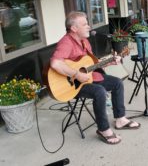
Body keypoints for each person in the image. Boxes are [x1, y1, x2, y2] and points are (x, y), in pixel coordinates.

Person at [50, 11, 140, 145]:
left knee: (117, 83)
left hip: (89, 77)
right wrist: (76, 74)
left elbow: (92, 64)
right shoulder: (66, 42)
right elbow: (55, 63)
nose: (89, 27)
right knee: (99, 92)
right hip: (71, 85)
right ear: (74, 28)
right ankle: (103, 130)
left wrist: (109, 61)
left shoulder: (85, 41)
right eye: (85, 24)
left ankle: (120, 119)